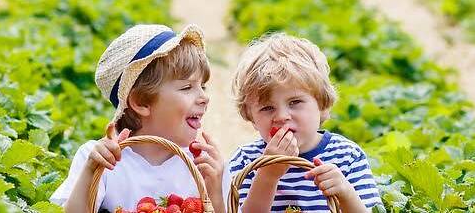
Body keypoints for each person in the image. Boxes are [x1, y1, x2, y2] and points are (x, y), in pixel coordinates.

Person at [50, 24, 230, 213]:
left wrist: (215, 192)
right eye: (187, 88)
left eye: (203, 87)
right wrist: (89, 172)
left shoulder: (203, 166)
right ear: (141, 102)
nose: (204, 98)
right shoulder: (103, 160)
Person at [228, 33, 381, 212]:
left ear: (321, 103)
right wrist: (267, 176)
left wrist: (346, 194)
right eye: (267, 108)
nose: (282, 116)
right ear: (251, 117)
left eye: (295, 102)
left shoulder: (347, 156)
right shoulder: (246, 160)